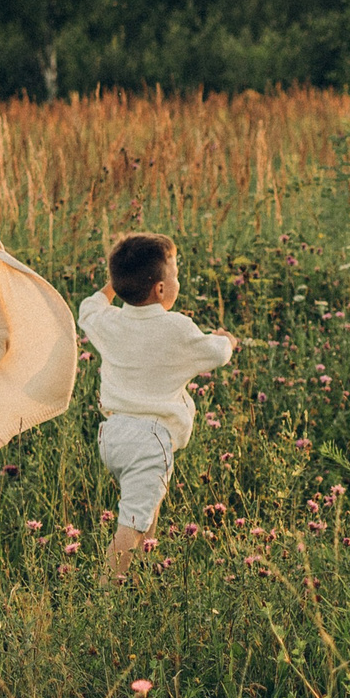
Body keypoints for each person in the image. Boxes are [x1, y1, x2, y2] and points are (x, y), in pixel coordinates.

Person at [78, 232, 236, 583]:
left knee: (145, 510)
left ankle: (141, 578)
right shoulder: (176, 328)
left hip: (113, 436)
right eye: (175, 274)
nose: (177, 279)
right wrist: (226, 340)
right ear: (161, 290)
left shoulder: (111, 322)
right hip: (150, 441)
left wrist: (113, 287)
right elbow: (217, 354)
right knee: (131, 523)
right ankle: (106, 596)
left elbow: (88, 309)